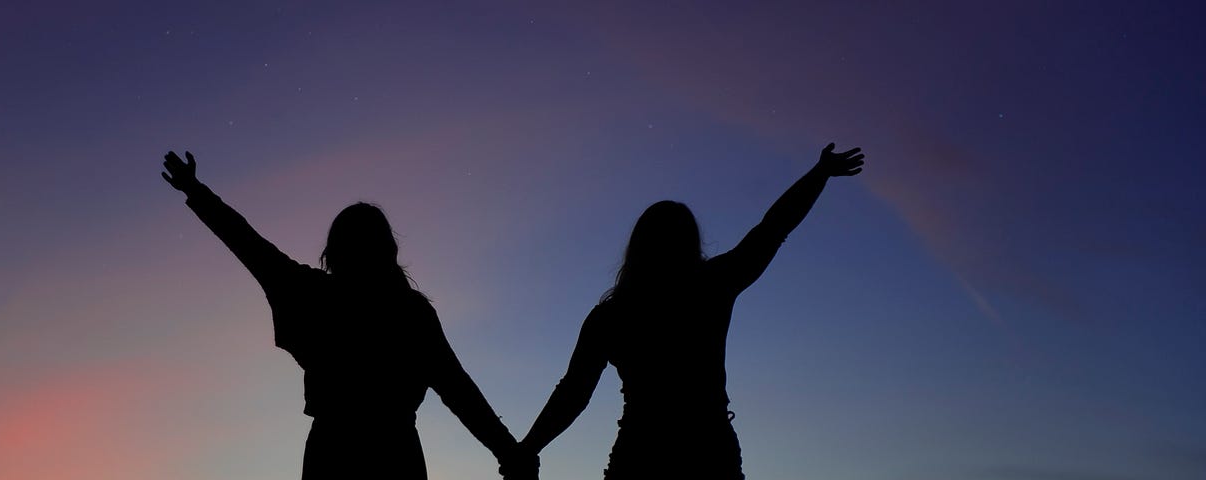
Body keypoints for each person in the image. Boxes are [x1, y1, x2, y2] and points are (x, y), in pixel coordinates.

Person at [161, 151, 537, 479]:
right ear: (388, 250)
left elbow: (248, 243)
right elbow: (459, 391)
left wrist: (195, 191)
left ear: (334, 250)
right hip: (394, 454)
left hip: (335, 453)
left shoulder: (318, 294)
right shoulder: (409, 312)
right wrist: (509, 453)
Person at [514, 143, 866, 479]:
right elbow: (772, 229)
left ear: (637, 247)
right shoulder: (711, 286)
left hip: (644, 455)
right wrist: (819, 174)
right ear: (691, 243)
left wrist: (528, 448)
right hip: (706, 452)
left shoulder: (613, 315)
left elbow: (573, 394)